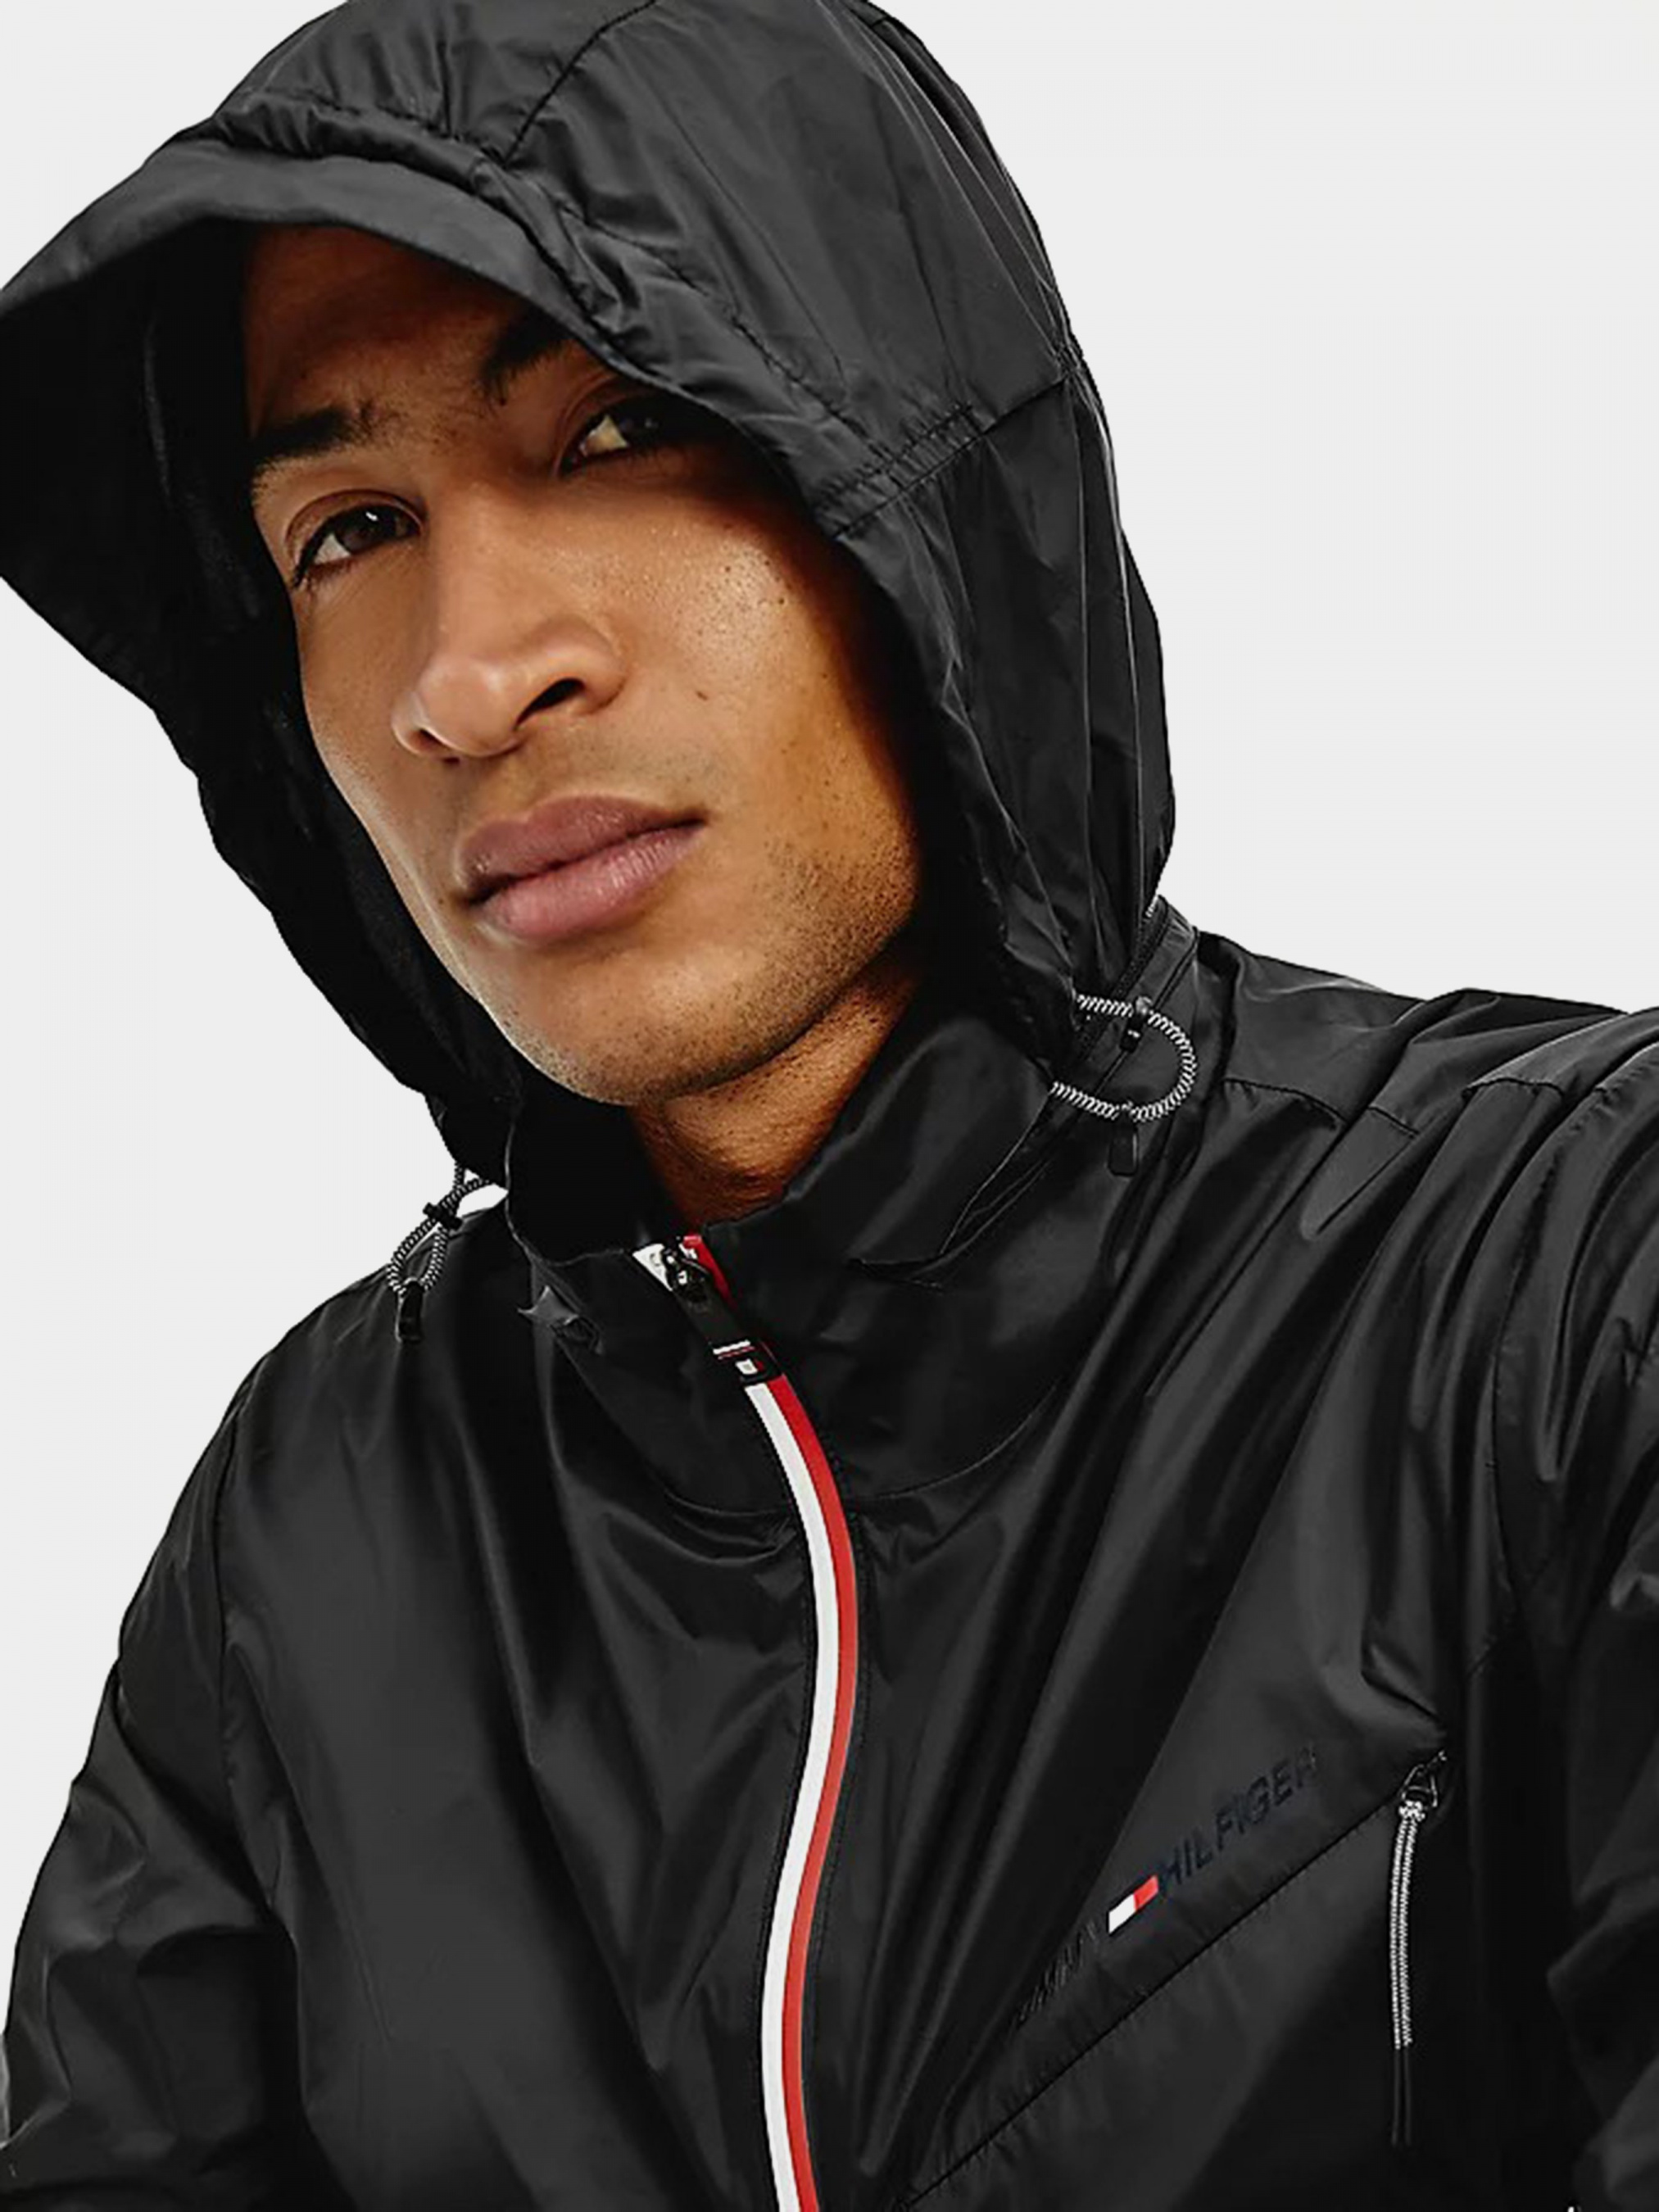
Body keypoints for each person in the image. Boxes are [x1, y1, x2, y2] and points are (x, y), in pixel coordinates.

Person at [0, 0, 1652, 2205]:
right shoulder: (316, 1529)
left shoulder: (1564, 1289)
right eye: (349, 526)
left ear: (922, 484)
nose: (468, 676)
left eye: (617, 428)